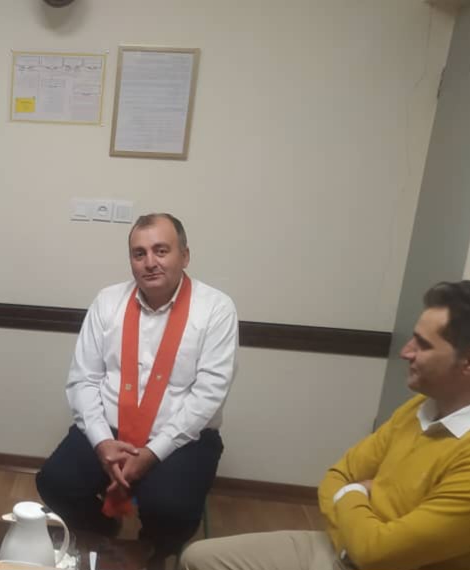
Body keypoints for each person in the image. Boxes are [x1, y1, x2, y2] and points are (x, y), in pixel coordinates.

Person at [181, 280, 470, 570]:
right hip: (342, 545)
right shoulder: (418, 408)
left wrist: (353, 493)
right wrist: (357, 519)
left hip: (373, 559)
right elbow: (336, 477)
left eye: (423, 344)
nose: (406, 351)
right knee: (198, 559)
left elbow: (377, 553)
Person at [36, 213, 239, 563]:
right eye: (139, 253)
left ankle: (150, 554)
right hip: (110, 429)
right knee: (55, 482)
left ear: (184, 256)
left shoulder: (216, 309)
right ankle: (102, 534)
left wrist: (152, 453)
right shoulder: (107, 301)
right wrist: (102, 442)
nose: (150, 262)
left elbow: (208, 395)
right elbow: (83, 379)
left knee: (170, 509)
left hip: (181, 438)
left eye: (161, 250)